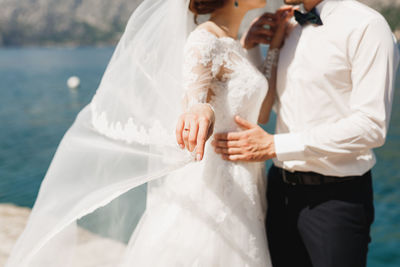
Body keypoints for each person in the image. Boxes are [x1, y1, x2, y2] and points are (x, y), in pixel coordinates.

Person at [5, 0, 293, 266]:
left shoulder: (234, 44)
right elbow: (194, 101)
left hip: (246, 180)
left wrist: (270, 47)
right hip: (215, 184)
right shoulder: (204, 39)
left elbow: (262, 113)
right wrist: (200, 109)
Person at [213, 0, 400, 266]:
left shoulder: (367, 26)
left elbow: (371, 126)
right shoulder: (287, 27)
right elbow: (266, 110)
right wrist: (252, 49)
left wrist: (275, 146)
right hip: (278, 192)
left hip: (335, 200)